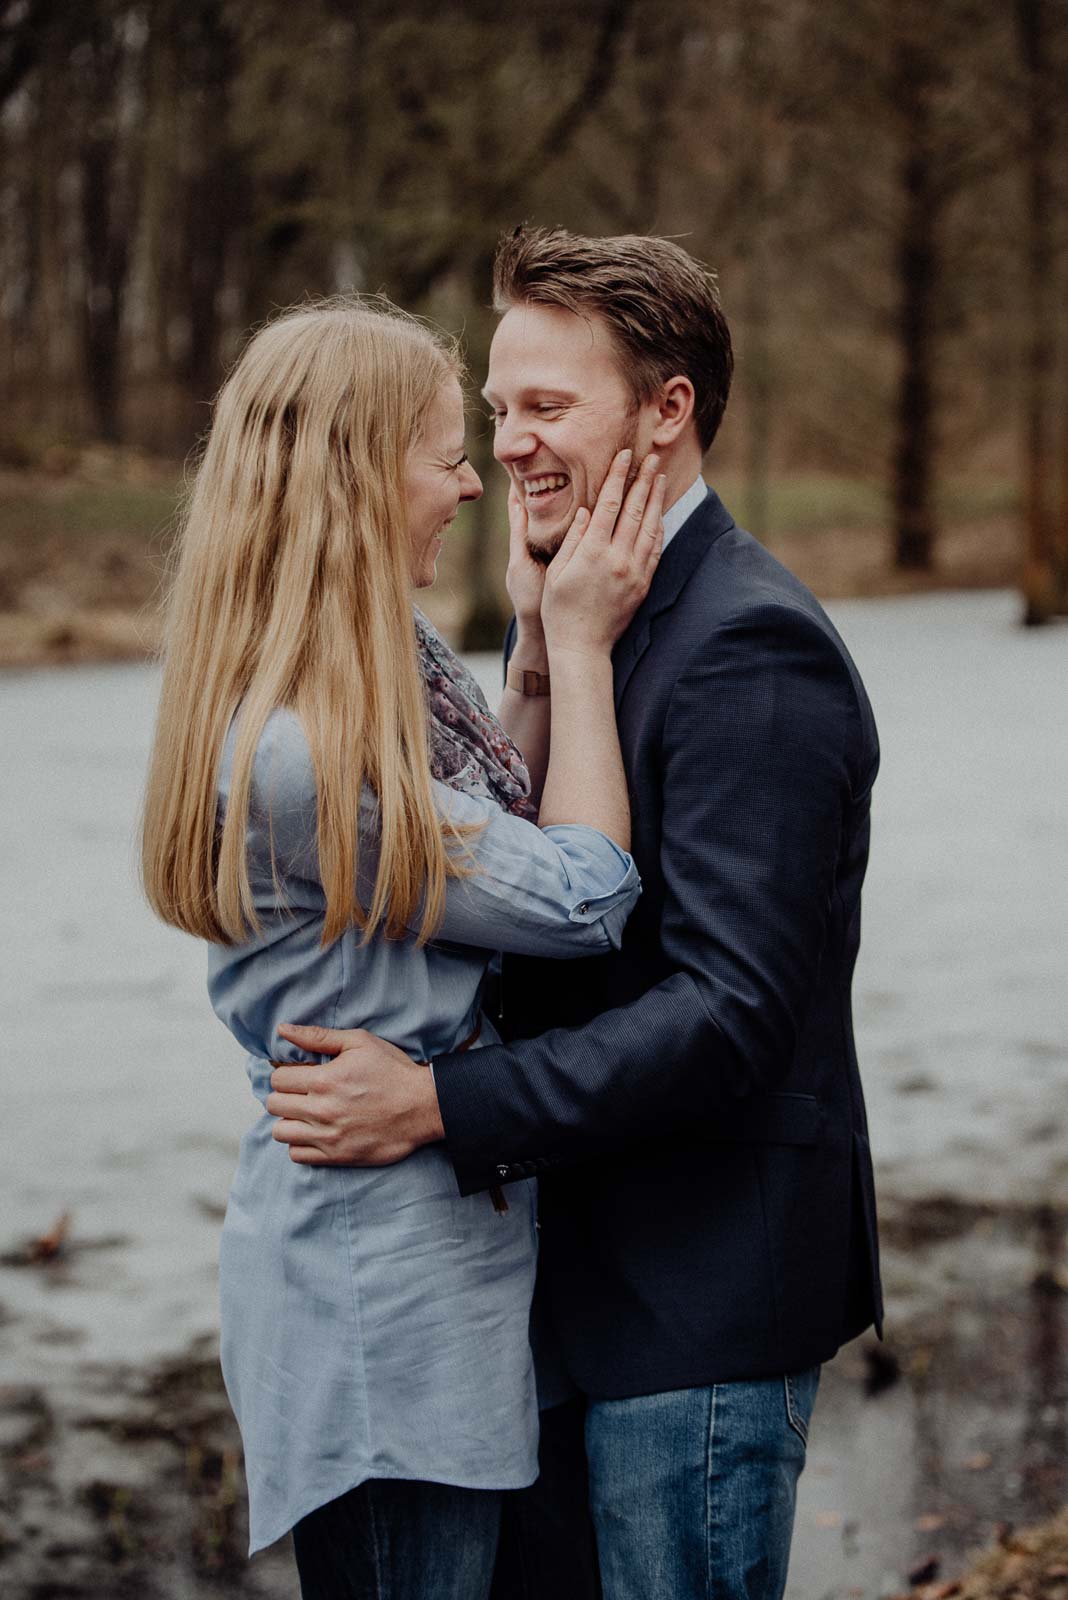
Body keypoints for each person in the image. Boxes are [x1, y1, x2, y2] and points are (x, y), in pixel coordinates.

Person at [266, 230, 883, 1600]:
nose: (511, 449)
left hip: (698, 1316)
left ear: (667, 414)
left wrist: (436, 1109)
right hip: (553, 1309)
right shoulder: (571, 615)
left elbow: (728, 1018)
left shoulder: (747, 646)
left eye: (548, 407)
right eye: (497, 411)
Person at [140, 295, 667, 1598]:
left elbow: (502, 839)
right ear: (369, 475)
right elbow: (581, 892)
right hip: (387, 1316)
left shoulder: (372, 679)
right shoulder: (306, 760)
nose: (473, 483)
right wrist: (589, 651)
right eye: (450, 449)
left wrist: (537, 645)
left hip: (416, 1278)